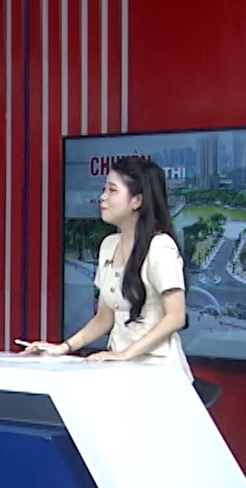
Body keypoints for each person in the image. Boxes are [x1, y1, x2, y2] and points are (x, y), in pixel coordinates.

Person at [20, 155, 192, 380]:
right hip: (118, 368)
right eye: (104, 189)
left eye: (112, 190)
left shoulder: (160, 246)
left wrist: (125, 354)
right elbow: (104, 317)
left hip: (158, 371)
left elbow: (176, 317)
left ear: (137, 200)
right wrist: (63, 348)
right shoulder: (109, 245)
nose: (103, 197)